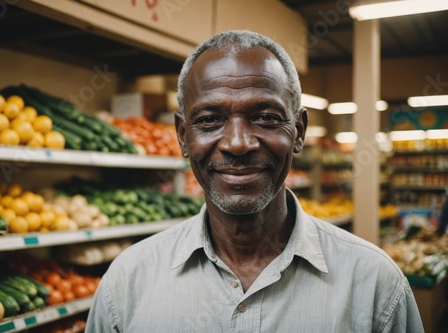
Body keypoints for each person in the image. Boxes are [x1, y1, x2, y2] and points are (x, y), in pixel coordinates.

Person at [86, 30, 423, 332]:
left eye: (265, 117)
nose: (237, 143)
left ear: (298, 133)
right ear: (183, 136)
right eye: (209, 120)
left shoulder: (375, 286)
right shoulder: (127, 283)